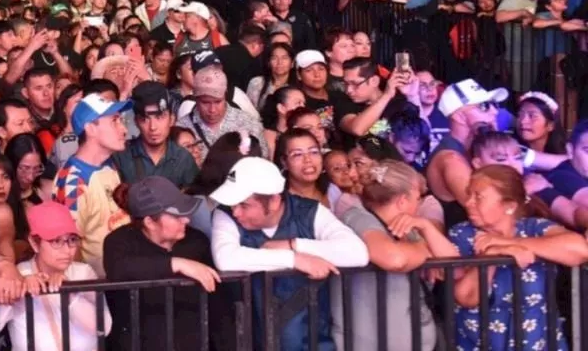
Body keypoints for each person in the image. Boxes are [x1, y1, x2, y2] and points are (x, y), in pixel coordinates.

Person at [209, 156, 370, 351]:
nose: (235, 212)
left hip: (312, 339)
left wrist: (293, 245)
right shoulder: (224, 214)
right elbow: (226, 258)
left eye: (244, 205)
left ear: (274, 201)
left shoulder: (308, 211)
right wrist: (294, 259)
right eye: (233, 205)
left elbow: (357, 252)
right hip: (252, 341)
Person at [449, 165, 588, 351]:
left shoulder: (535, 227)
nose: (468, 203)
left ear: (509, 206)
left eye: (478, 197)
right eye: (469, 195)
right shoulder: (462, 234)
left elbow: (579, 250)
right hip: (480, 343)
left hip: (538, 341)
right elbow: (466, 298)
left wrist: (508, 243)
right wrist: (492, 254)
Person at [332, 160, 457, 351]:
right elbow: (394, 259)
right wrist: (425, 249)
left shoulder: (411, 230)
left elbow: (452, 268)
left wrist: (426, 227)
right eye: (418, 198)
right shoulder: (357, 217)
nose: (420, 203)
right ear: (402, 200)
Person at [103, 176, 231, 351]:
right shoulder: (118, 241)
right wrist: (176, 264)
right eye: (176, 215)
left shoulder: (197, 242)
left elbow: (218, 307)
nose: (186, 219)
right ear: (149, 222)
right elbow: (119, 269)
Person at [0, 201, 108, 351]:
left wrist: (70, 294)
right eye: (56, 241)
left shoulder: (83, 272)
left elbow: (104, 327)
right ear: (34, 243)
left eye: (72, 240)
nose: (67, 250)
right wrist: (19, 291)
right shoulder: (19, 274)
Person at [53, 93, 131, 275]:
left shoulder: (109, 166)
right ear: (91, 128)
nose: (124, 129)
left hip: (118, 284)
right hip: (95, 291)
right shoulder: (72, 180)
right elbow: (66, 248)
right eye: (114, 121)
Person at [426, 79, 504, 228]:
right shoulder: (451, 160)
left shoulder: (471, 147)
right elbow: (485, 213)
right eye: (484, 106)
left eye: (494, 105)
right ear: (459, 116)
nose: (495, 112)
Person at [111, 81, 198, 186]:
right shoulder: (121, 156)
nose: (153, 127)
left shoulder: (183, 159)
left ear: (172, 119)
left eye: (159, 117)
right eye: (145, 119)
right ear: (136, 122)